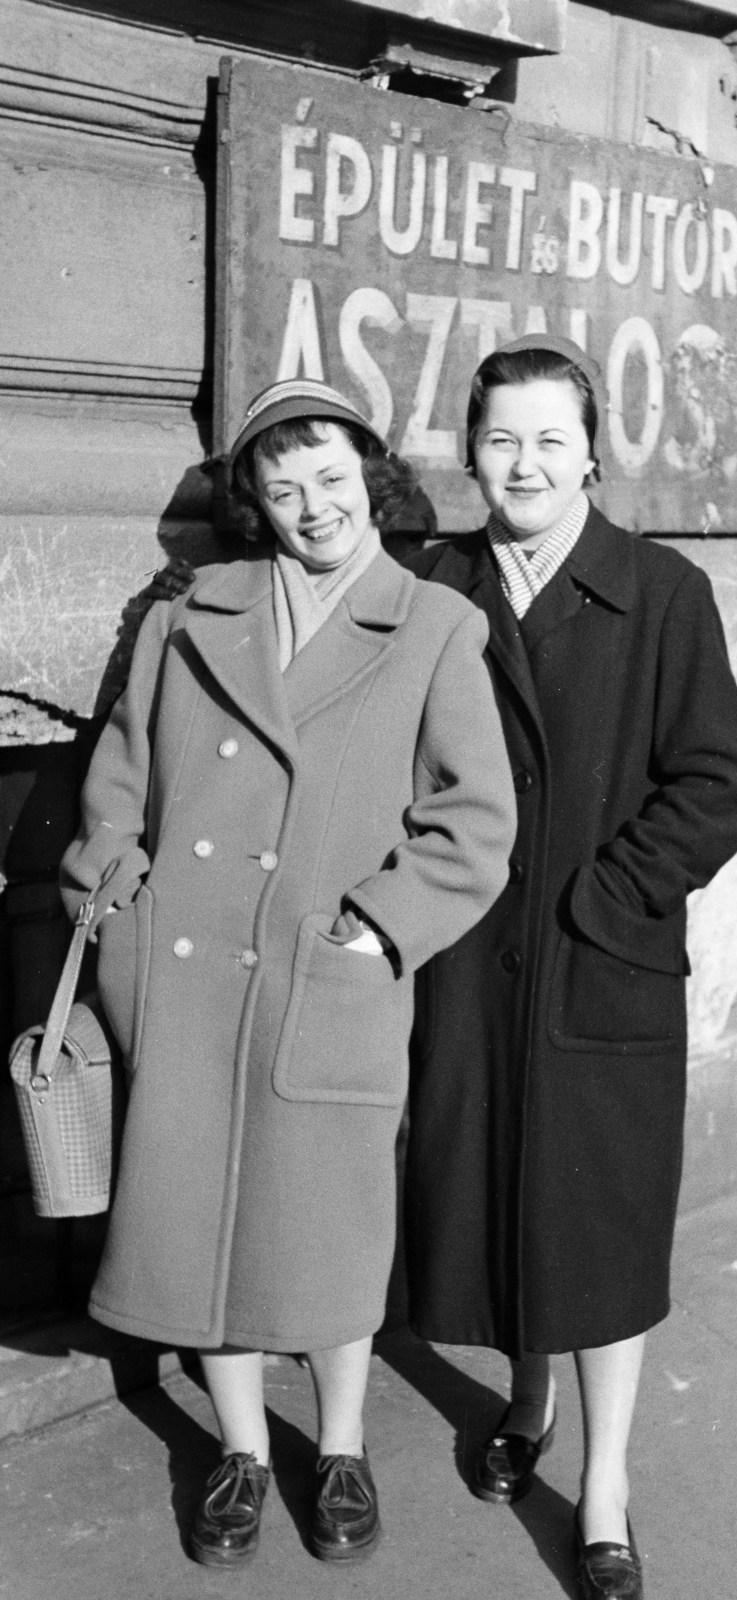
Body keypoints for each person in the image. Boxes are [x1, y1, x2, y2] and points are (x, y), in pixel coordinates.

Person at [59, 378, 516, 1569]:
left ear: (369, 476)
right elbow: (114, 780)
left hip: (328, 978)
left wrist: (374, 930)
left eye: (330, 477)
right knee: (195, 1218)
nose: (312, 506)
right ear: (253, 502)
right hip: (190, 970)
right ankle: (246, 1453)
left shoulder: (431, 627)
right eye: (281, 484)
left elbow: (472, 825)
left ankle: (346, 1446)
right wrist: (116, 894)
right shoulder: (183, 616)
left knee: (326, 1231)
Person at [403, 335, 737, 1600]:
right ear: (469, 451)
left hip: (598, 964)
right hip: (467, 970)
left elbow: (719, 781)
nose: (525, 463)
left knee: (597, 1226)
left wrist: (603, 897)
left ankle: (602, 1483)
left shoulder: (658, 593)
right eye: (501, 438)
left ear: (593, 454)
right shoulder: (435, 584)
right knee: (498, 1196)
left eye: (552, 439)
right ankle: (524, 1397)